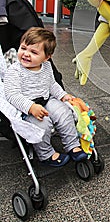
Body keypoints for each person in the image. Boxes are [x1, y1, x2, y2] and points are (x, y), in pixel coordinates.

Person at [4, 27, 88, 167]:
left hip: (46, 99)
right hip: (26, 107)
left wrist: (63, 96)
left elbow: (52, 85)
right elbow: (12, 94)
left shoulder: (46, 67)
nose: (26, 54)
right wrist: (30, 107)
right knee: (42, 124)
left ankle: (72, 145)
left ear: (47, 57)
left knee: (64, 113)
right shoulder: (15, 71)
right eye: (23, 48)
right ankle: (46, 154)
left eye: (33, 52)